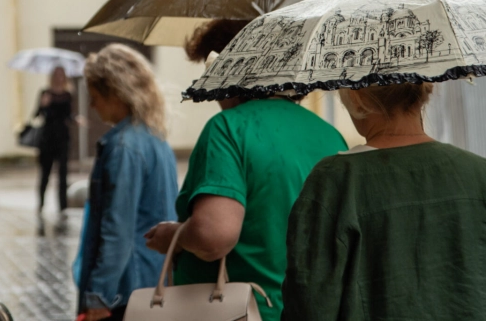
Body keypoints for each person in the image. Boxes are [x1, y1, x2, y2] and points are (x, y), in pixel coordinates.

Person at [282, 82, 486, 321]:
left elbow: (309, 306)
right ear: (426, 89)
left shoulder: (333, 182)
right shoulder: (485, 176)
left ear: (357, 96)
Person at [144, 19, 348, 321]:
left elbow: (215, 236)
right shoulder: (330, 135)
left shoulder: (228, 129)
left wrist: (174, 236)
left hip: (242, 311)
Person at [74, 44, 178, 321]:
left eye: (95, 96)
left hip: (125, 292)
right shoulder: (156, 139)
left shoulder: (124, 147)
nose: (92, 105)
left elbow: (117, 230)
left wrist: (98, 295)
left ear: (116, 93)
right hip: (154, 282)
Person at [35, 66, 74, 213]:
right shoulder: (45, 93)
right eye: (56, 75)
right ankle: (41, 204)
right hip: (47, 139)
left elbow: (69, 115)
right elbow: (37, 115)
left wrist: (76, 119)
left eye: (61, 75)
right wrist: (43, 105)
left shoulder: (68, 95)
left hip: (63, 138)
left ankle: (63, 206)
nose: (59, 77)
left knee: (63, 174)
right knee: (45, 173)